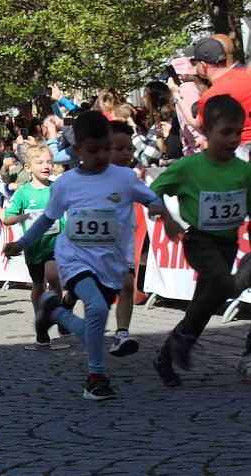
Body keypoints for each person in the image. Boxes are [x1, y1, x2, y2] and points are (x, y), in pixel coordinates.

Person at [4, 111, 182, 401]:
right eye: (93, 150)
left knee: (97, 318)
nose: (101, 155)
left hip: (109, 263)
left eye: (106, 148)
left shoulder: (124, 177)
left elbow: (152, 197)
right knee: (98, 309)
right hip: (75, 259)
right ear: (78, 151)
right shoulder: (66, 183)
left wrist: (164, 215)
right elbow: (47, 219)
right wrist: (22, 243)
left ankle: (54, 312)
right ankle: (96, 378)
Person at [150, 95, 251, 386]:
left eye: (237, 132)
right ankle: (245, 271)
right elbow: (153, 192)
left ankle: (165, 356)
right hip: (199, 240)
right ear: (206, 132)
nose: (233, 139)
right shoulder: (188, 167)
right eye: (225, 132)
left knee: (201, 309)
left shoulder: (244, 171)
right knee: (224, 285)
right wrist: (167, 217)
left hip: (227, 243)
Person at [4, 144, 65, 345]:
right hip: (33, 247)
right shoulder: (23, 193)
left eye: (49, 162)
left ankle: (60, 313)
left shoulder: (57, 187)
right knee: (38, 284)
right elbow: (7, 219)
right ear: (28, 167)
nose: (46, 166)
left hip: (55, 243)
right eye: (40, 162)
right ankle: (41, 321)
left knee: (53, 275)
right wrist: (21, 216)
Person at [172, 37, 251, 160]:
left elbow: (196, 124)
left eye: (195, 63)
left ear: (203, 65)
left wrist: (176, 95)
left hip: (239, 151)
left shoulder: (212, 96)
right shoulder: (247, 73)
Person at [107, 121, 142, 356]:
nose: (126, 153)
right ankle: (68, 301)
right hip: (95, 246)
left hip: (123, 243)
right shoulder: (87, 176)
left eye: (129, 148)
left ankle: (121, 333)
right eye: (119, 148)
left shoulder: (130, 175)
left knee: (127, 285)